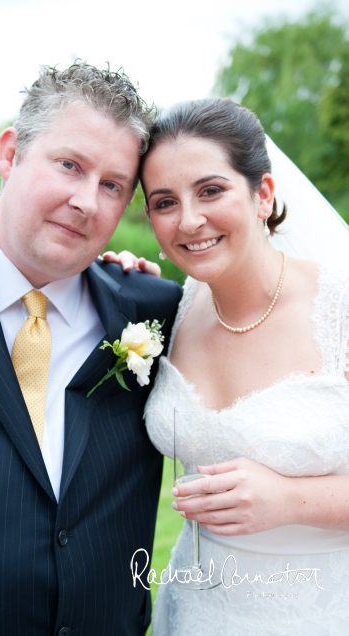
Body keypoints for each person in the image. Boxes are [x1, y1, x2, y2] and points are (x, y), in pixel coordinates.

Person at [0, 62, 182, 635]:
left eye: (112, 185)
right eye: (70, 165)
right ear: (11, 153)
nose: (88, 202)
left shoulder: (152, 311)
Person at [140, 98, 349, 633]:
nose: (189, 220)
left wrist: (291, 499)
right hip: (197, 609)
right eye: (165, 202)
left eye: (211, 190)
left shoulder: (340, 304)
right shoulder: (170, 307)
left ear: (264, 194)